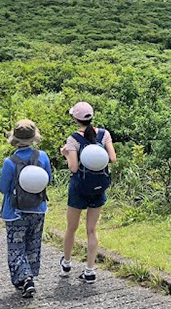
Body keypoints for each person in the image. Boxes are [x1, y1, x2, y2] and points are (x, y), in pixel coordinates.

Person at [59, 101, 117, 284]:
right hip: (99, 187)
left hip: (79, 188)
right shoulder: (104, 134)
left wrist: (66, 153)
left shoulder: (73, 139)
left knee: (71, 228)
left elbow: (74, 168)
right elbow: (112, 159)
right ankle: (90, 271)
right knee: (91, 230)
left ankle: (66, 263)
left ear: (75, 119)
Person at [0, 120, 52, 298]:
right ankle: (28, 276)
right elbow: (48, 180)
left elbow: (3, 188)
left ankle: (25, 279)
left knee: (16, 246)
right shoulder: (42, 156)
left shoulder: (9, 162)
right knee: (33, 244)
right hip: (38, 209)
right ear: (34, 137)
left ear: (14, 138)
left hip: (15, 212)